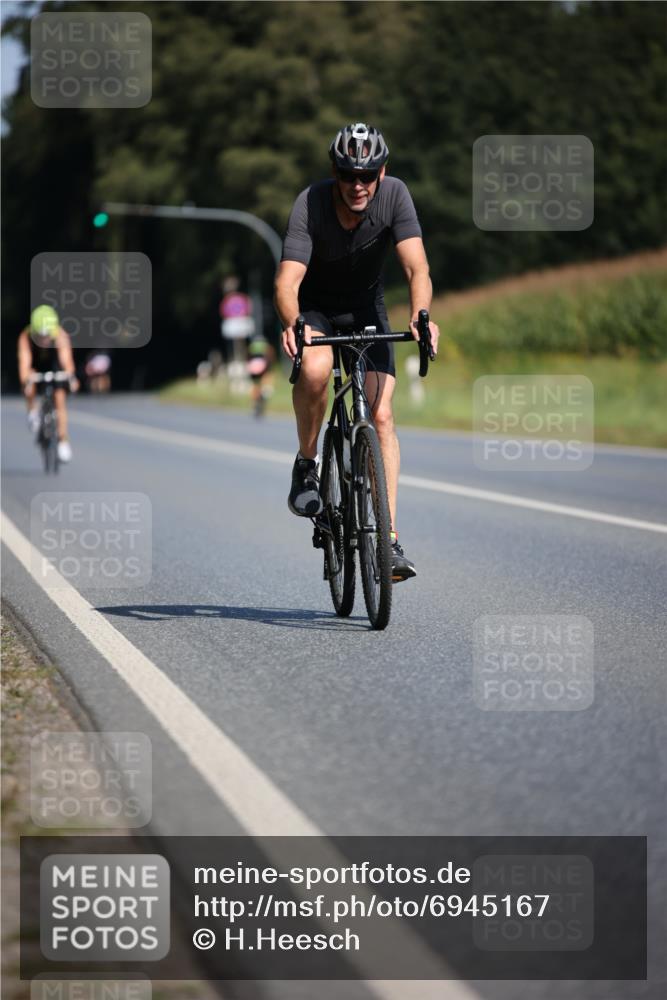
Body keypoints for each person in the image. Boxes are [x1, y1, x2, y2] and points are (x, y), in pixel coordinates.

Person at [274, 122, 440, 582]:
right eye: (349, 175)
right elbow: (286, 282)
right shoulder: (310, 204)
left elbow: (417, 267)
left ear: (382, 172)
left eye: (368, 175)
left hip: (367, 310)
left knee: (381, 416)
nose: (358, 185)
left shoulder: (395, 196)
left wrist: (421, 316)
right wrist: (295, 323)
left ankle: (387, 542)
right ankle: (308, 465)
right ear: (336, 173)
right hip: (317, 311)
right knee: (315, 369)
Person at [17, 305, 79, 462]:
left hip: (53, 363)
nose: (44, 340)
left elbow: (67, 362)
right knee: (29, 383)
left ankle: (63, 441)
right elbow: (24, 365)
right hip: (35, 363)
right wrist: (27, 381)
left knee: (60, 398)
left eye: (47, 337)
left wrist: (71, 378)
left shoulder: (60, 335)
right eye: (40, 336)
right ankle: (32, 411)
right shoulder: (25, 338)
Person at [246, 330, 275, 417]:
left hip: (252, 367)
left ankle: (254, 402)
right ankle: (264, 394)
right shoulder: (267, 347)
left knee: (255, 385)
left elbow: (247, 357)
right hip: (264, 367)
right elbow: (270, 357)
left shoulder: (251, 346)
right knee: (265, 384)